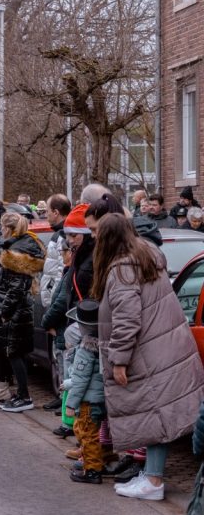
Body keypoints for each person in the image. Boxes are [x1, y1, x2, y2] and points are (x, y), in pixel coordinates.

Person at [93, 213, 204, 500]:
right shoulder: (146, 257)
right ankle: (151, 476)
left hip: (148, 354)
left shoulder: (122, 270)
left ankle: (153, 481)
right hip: (165, 348)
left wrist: (119, 359)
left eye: (97, 234)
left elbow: (127, 319)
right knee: (161, 416)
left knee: (155, 417)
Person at [41, 204, 95, 431]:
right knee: (72, 377)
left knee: (77, 378)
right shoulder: (78, 260)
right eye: (68, 236)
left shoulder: (87, 261)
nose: (70, 240)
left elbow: (67, 297)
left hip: (81, 328)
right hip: (74, 326)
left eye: (74, 235)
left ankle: (75, 427)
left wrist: (48, 321)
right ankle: (73, 425)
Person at [0, 213, 45, 412]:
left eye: (2, 227)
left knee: (14, 353)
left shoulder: (16, 252)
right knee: (15, 352)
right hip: (18, 308)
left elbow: (16, 287)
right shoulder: (22, 246)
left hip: (15, 310)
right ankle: (21, 394)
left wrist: (4, 311)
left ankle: (24, 396)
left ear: (7, 228)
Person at [64, 300, 107, 484]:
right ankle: (101, 462)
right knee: (98, 434)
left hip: (88, 401)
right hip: (102, 399)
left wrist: (70, 404)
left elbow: (80, 381)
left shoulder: (85, 349)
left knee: (88, 435)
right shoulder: (104, 344)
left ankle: (92, 470)